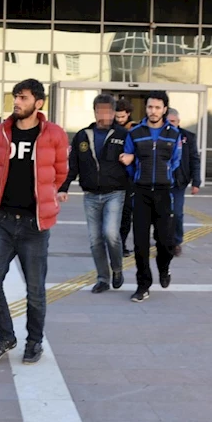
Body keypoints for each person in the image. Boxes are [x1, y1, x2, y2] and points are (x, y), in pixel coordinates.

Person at [0, 79, 68, 365]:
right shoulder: (0, 132)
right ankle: (6, 336)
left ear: (38, 103)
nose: (17, 102)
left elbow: (59, 174)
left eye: (23, 97)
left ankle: (34, 342)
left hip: (35, 225)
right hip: (3, 222)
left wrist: (43, 199)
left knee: (35, 292)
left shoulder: (54, 134)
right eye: (15, 96)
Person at [59, 94, 129, 293]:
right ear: (95, 111)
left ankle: (117, 269)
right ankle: (103, 278)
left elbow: (134, 162)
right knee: (95, 239)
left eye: (108, 111)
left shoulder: (123, 135)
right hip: (90, 195)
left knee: (110, 233)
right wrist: (63, 187)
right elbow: (73, 165)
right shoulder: (83, 135)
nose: (104, 115)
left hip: (115, 192)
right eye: (100, 110)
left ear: (114, 112)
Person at [120, 91, 181, 303]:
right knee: (140, 244)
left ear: (164, 109)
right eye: (149, 107)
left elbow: (175, 162)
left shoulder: (173, 134)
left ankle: (164, 268)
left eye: (157, 107)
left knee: (165, 242)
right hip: (142, 192)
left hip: (164, 193)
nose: (153, 111)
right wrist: (137, 173)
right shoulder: (135, 132)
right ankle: (142, 285)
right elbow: (128, 160)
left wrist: (165, 176)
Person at [167, 109, 201, 256]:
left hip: (179, 181)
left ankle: (176, 241)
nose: (171, 125)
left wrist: (196, 182)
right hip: (160, 181)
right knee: (161, 213)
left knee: (177, 213)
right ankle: (162, 239)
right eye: (168, 122)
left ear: (178, 122)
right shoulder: (158, 136)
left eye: (173, 122)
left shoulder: (188, 137)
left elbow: (194, 159)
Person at [114, 98, 136, 257]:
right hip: (113, 176)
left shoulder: (135, 129)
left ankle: (121, 244)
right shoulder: (110, 128)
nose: (120, 120)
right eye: (117, 117)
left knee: (126, 214)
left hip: (129, 177)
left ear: (128, 114)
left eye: (122, 117)